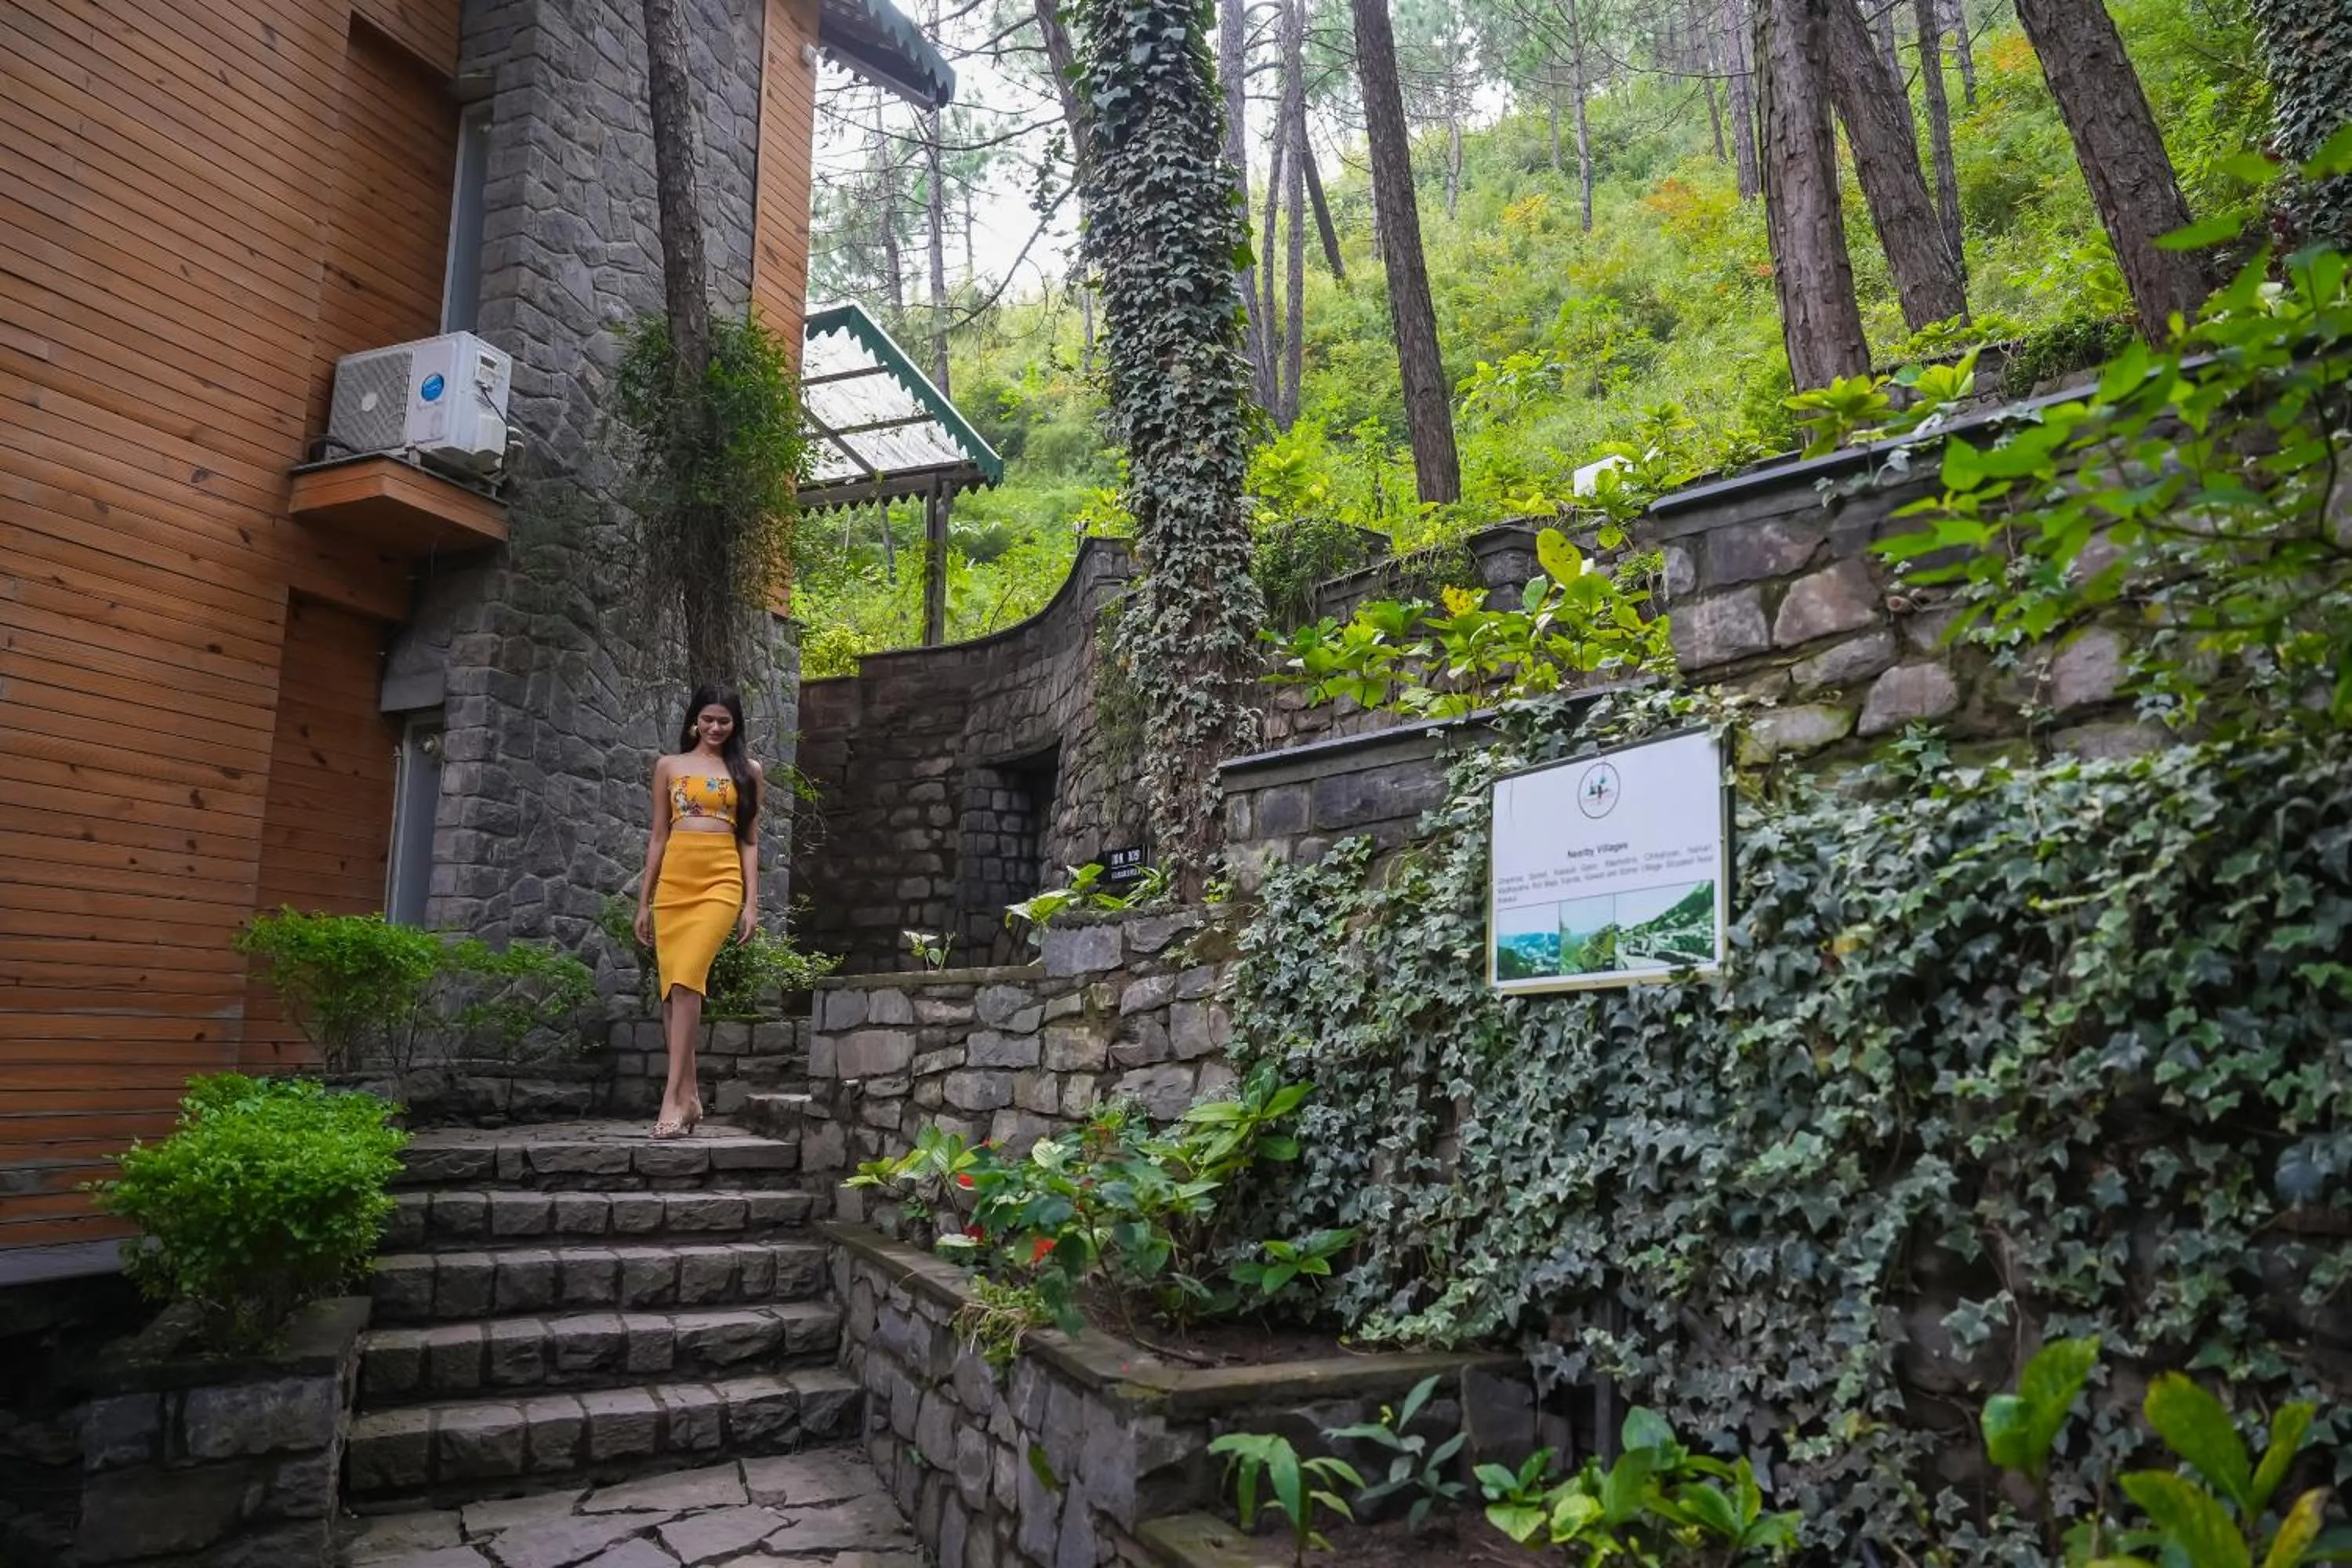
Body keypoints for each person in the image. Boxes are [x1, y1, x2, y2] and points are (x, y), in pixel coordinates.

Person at [633, 684, 762, 1138]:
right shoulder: (669, 766)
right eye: (708, 719)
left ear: (735, 725)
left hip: (720, 882)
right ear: (695, 719)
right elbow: (658, 836)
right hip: (674, 884)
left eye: (724, 721)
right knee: (673, 994)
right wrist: (643, 902)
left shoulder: (748, 771)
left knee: (688, 980)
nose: (714, 727)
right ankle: (689, 1098)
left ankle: (672, 1098)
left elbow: (749, 840)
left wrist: (751, 902)